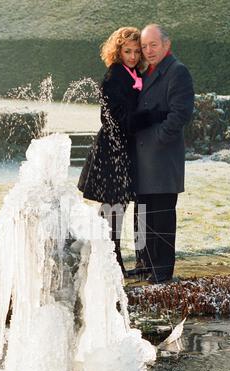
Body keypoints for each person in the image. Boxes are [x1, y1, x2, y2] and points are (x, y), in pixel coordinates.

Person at [78, 26, 166, 275]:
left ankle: (114, 263)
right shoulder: (115, 76)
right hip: (112, 150)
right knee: (113, 210)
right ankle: (111, 266)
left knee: (118, 209)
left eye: (137, 51)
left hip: (125, 149)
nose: (133, 56)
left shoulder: (132, 74)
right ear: (118, 52)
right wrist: (154, 116)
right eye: (127, 51)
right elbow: (120, 120)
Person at [128, 24, 194, 283]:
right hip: (142, 159)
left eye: (152, 45)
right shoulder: (145, 71)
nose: (148, 50)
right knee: (142, 214)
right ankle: (144, 264)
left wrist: (157, 139)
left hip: (162, 158)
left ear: (167, 44)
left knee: (162, 216)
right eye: (144, 46)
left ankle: (162, 271)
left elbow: (181, 114)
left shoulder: (177, 71)